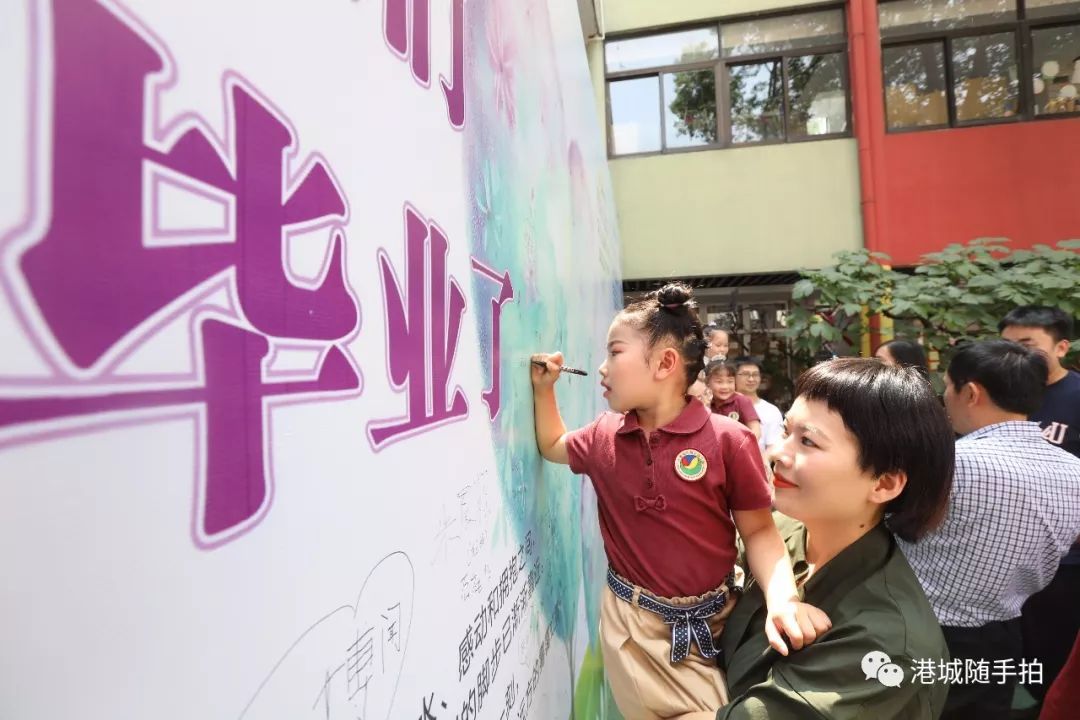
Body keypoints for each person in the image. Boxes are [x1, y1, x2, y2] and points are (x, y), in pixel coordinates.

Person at [531, 282, 829, 719]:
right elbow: (555, 444)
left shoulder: (730, 441)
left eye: (614, 352)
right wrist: (543, 391)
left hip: (719, 622)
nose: (601, 368)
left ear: (665, 363)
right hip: (633, 629)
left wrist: (782, 601)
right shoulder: (602, 436)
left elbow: (760, 532)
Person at [712, 358, 954, 720]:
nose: (776, 453)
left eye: (807, 441)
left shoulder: (885, 645)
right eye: (786, 432)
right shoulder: (779, 530)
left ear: (884, 483)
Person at [896, 340, 1080, 720]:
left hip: (921, 634)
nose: (944, 396)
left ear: (971, 392)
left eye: (947, 386)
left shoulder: (948, 464)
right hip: (1006, 637)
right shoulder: (1074, 473)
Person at [999, 306, 1080, 702]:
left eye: (1027, 346)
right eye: (1007, 345)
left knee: (1057, 659)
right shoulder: (995, 395)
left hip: (1066, 560)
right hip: (1005, 554)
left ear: (1061, 347)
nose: (1016, 356)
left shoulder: (1077, 396)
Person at [733, 357, 783, 454]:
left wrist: (762, 464)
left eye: (755, 375)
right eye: (746, 374)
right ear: (733, 376)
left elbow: (774, 445)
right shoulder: (723, 405)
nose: (751, 379)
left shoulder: (771, 410)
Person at [705, 360, 761, 439]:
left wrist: (743, 446)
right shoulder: (704, 401)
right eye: (719, 382)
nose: (725, 386)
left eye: (730, 381)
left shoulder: (742, 401)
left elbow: (756, 430)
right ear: (707, 382)